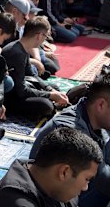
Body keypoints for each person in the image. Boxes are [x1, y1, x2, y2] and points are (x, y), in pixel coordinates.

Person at [29, 73, 110, 207]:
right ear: (101, 105)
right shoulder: (71, 130)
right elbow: (103, 180)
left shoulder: (93, 117)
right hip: (53, 199)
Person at [0, 127, 102, 207]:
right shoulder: (15, 202)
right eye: (87, 179)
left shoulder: (55, 187)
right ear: (64, 172)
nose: (85, 187)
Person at [1, 16, 69, 120]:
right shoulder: (15, 53)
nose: (44, 40)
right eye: (45, 37)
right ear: (39, 36)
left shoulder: (23, 47)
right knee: (46, 105)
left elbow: (31, 75)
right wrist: (50, 95)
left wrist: (49, 90)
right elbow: (20, 91)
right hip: (10, 96)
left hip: (22, 86)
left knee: (54, 88)